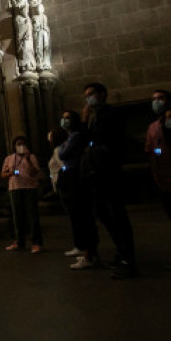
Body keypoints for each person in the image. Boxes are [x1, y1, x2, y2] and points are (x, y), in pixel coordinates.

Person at [81, 83, 136, 278]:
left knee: (117, 215)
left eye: (92, 94)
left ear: (103, 94)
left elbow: (102, 139)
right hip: (98, 173)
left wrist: (84, 123)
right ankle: (121, 250)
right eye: (86, 95)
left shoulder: (111, 113)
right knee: (104, 213)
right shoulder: (94, 118)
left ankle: (128, 259)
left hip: (109, 171)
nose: (89, 98)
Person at [58, 110, 98, 268]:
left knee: (81, 215)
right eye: (63, 117)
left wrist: (63, 147)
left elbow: (62, 154)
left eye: (67, 118)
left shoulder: (76, 136)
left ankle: (88, 254)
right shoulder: (71, 137)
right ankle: (85, 250)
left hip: (76, 177)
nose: (64, 120)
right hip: (73, 176)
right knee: (78, 215)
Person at [144, 90, 171, 221]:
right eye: (154, 99)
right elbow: (150, 149)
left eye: (160, 98)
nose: (156, 102)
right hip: (162, 175)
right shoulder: (152, 127)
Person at [1, 135, 44, 253]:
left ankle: (36, 242)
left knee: (32, 216)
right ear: (14, 146)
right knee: (17, 216)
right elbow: (2, 174)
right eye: (18, 144)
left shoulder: (32, 157)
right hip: (14, 188)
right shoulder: (9, 158)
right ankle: (19, 242)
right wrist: (10, 172)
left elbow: (35, 172)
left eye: (22, 144)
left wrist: (28, 159)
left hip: (29, 187)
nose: (20, 146)